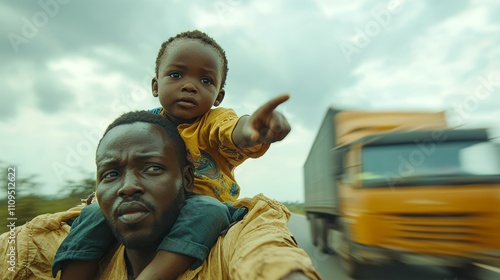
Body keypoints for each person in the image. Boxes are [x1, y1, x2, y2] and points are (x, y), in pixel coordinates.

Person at [52, 30, 292, 279]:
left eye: (206, 81)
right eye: (176, 75)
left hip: (197, 208)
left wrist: (254, 126)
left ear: (218, 96)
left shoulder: (212, 122)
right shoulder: (145, 126)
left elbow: (233, 130)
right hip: (148, 205)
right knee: (93, 213)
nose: (189, 86)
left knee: (210, 210)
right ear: (155, 85)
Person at [0, 111, 320, 279]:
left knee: (210, 210)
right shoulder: (48, 239)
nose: (127, 185)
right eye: (110, 174)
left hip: (203, 205)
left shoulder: (230, 247)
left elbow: (267, 255)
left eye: (151, 168)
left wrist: (252, 130)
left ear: (185, 176)